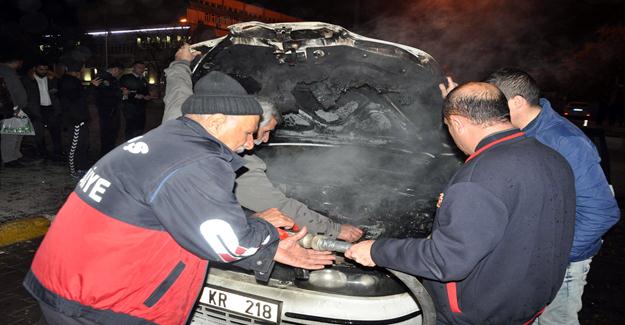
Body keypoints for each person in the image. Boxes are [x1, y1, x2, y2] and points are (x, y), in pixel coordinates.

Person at [23, 70, 335, 325]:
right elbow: (228, 243)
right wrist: (266, 232)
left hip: (70, 280)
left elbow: (180, 217)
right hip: (102, 302)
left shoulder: (168, 139)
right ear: (215, 122)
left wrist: (262, 245)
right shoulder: (197, 161)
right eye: (248, 132)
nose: (251, 144)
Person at [346, 82, 576, 324]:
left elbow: (447, 260)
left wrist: (376, 250)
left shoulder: (477, 178)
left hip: (476, 316)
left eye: (448, 127)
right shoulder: (552, 158)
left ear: (457, 122)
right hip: (523, 306)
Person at [162, 44, 363, 242]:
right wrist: (334, 230)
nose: (261, 142)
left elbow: (178, 89)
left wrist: (181, 62)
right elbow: (279, 207)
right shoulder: (235, 165)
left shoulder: (181, 119)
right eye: (263, 132)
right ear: (245, 122)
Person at [485, 68, 620, 325]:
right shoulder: (521, 132)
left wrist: (556, 255)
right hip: (530, 256)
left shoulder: (564, 141)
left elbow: (602, 212)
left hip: (561, 264)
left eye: (495, 104)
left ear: (517, 102)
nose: (491, 112)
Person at [22, 60, 63, 161]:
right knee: (39, 132)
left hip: (50, 108)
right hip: (36, 108)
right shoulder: (28, 80)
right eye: (41, 69)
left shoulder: (52, 78)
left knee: (55, 131)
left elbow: (59, 91)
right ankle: (42, 152)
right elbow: (24, 95)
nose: (43, 71)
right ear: (35, 68)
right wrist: (28, 109)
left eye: (45, 69)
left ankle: (57, 152)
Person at [58, 60, 90, 178]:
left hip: (78, 118)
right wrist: (91, 87)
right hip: (75, 119)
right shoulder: (69, 82)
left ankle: (81, 168)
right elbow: (76, 100)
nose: (82, 71)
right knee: (74, 146)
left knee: (81, 145)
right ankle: (73, 170)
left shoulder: (69, 81)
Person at [92, 62, 126, 157]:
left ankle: (107, 155)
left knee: (110, 135)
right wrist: (121, 93)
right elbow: (107, 95)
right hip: (108, 112)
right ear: (115, 69)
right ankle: (105, 156)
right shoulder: (104, 78)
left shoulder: (108, 78)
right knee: (108, 135)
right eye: (119, 72)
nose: (119, 74)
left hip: (110, 111)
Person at [0, 50, 27, 168]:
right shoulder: (7, 73)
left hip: (13, 107)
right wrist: (16, 107)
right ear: (17, 62)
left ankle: (14, 156)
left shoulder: (8, 72)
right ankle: (9, 159)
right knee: (10, 134)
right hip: (12, 108)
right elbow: (12, 92)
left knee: (15, 133)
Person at [120, 61, 152, 140]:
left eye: (143, 68)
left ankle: (137, 143)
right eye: (139, 67)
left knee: (140, 127)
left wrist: (148, 96)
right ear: (134, 68)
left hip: (141, 108)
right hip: (130, 107)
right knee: (130, 128)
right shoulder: (126, 78)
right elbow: (122, 91)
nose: (141, 70)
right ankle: (129, 144)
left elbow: (145, 92)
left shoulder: (143, 79)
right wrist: (135, 95)